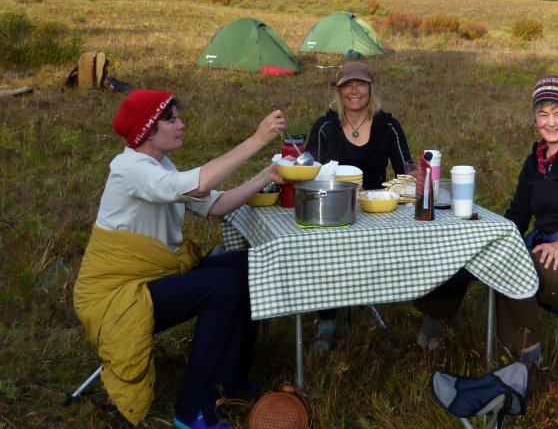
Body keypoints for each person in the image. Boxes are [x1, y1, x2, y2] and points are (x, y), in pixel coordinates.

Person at [74, 89, 287, 429]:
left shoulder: (159, 165)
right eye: (171, 120)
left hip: (152, 275)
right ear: (147, 130)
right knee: (223, 287)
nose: (181, 125)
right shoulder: (129, 169)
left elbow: (214, 204)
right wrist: (257, 139)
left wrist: (266, 175)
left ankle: (230, 381)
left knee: (248, 267)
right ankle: (193, 411)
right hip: (118, 295)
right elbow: (199, 185)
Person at [414, 75, 558, 379]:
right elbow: (518, 213)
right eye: (543, 114)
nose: (550, 122)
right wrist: (484, 237)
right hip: (544, 251)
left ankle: (530, 364)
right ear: (534, 117)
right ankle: (431, 330)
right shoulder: (536, 159)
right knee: (469, 249)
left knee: (514, 264)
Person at [304, 60, 412, 352]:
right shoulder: (325, 126)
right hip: (333, 207)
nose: (354, 91)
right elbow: (307, 170)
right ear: (338, 91)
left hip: (377, 210)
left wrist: (422, 176)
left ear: (370, 89)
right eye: (347, 85)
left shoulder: (388, 125)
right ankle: (326, 319)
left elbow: (406, 171)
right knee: (325, 243)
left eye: (360, 84)